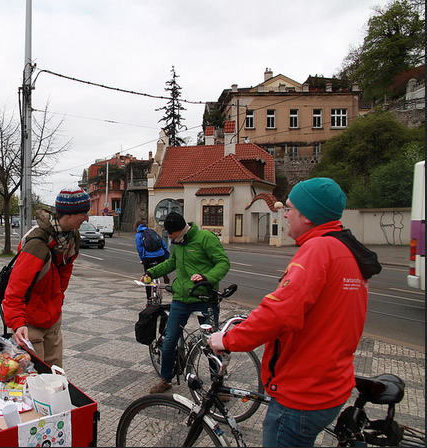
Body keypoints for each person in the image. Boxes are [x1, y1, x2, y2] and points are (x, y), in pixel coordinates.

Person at [208, 177, 382, 447]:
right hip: (331, 384)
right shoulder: (347, 251)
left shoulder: (318, 249)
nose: (284, 214)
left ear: (308, 216)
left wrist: (229, 340)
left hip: (301, 392)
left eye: (289, 208)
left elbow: (280, 311)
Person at [141, 211, 230, 394]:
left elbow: (223, 263)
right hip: (181, 298)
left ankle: (218, 386)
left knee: (212, 343)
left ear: (180, 230)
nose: (169, 237)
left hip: (205, 299)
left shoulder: (206, 238)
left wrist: (207, 277)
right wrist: (152, 272)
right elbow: (171, 263)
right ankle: (165, 379)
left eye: (171, 233)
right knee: (170, 340)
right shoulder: (178, 243)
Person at [2, 187, 90, 368]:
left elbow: (65, 271)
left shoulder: (71, 237)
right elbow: (14, 290)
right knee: (34, 379)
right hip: (30, 322)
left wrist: (58, 300)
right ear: (69, 215)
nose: (87, 218)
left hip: (52, 318)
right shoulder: (37, 244)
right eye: (84, 213)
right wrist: (18, 324)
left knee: (55, 374)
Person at [135, 220, 170, 300]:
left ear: (137, 227)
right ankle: (164, 274)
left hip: (148, 257)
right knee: (162, 266)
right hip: (160, 255)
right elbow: (162, 243)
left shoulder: (138, 235)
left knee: (147, 277)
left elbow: (139, 249)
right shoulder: (152, 232)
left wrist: (142, 259)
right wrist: (166, 255)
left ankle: (149, 299)